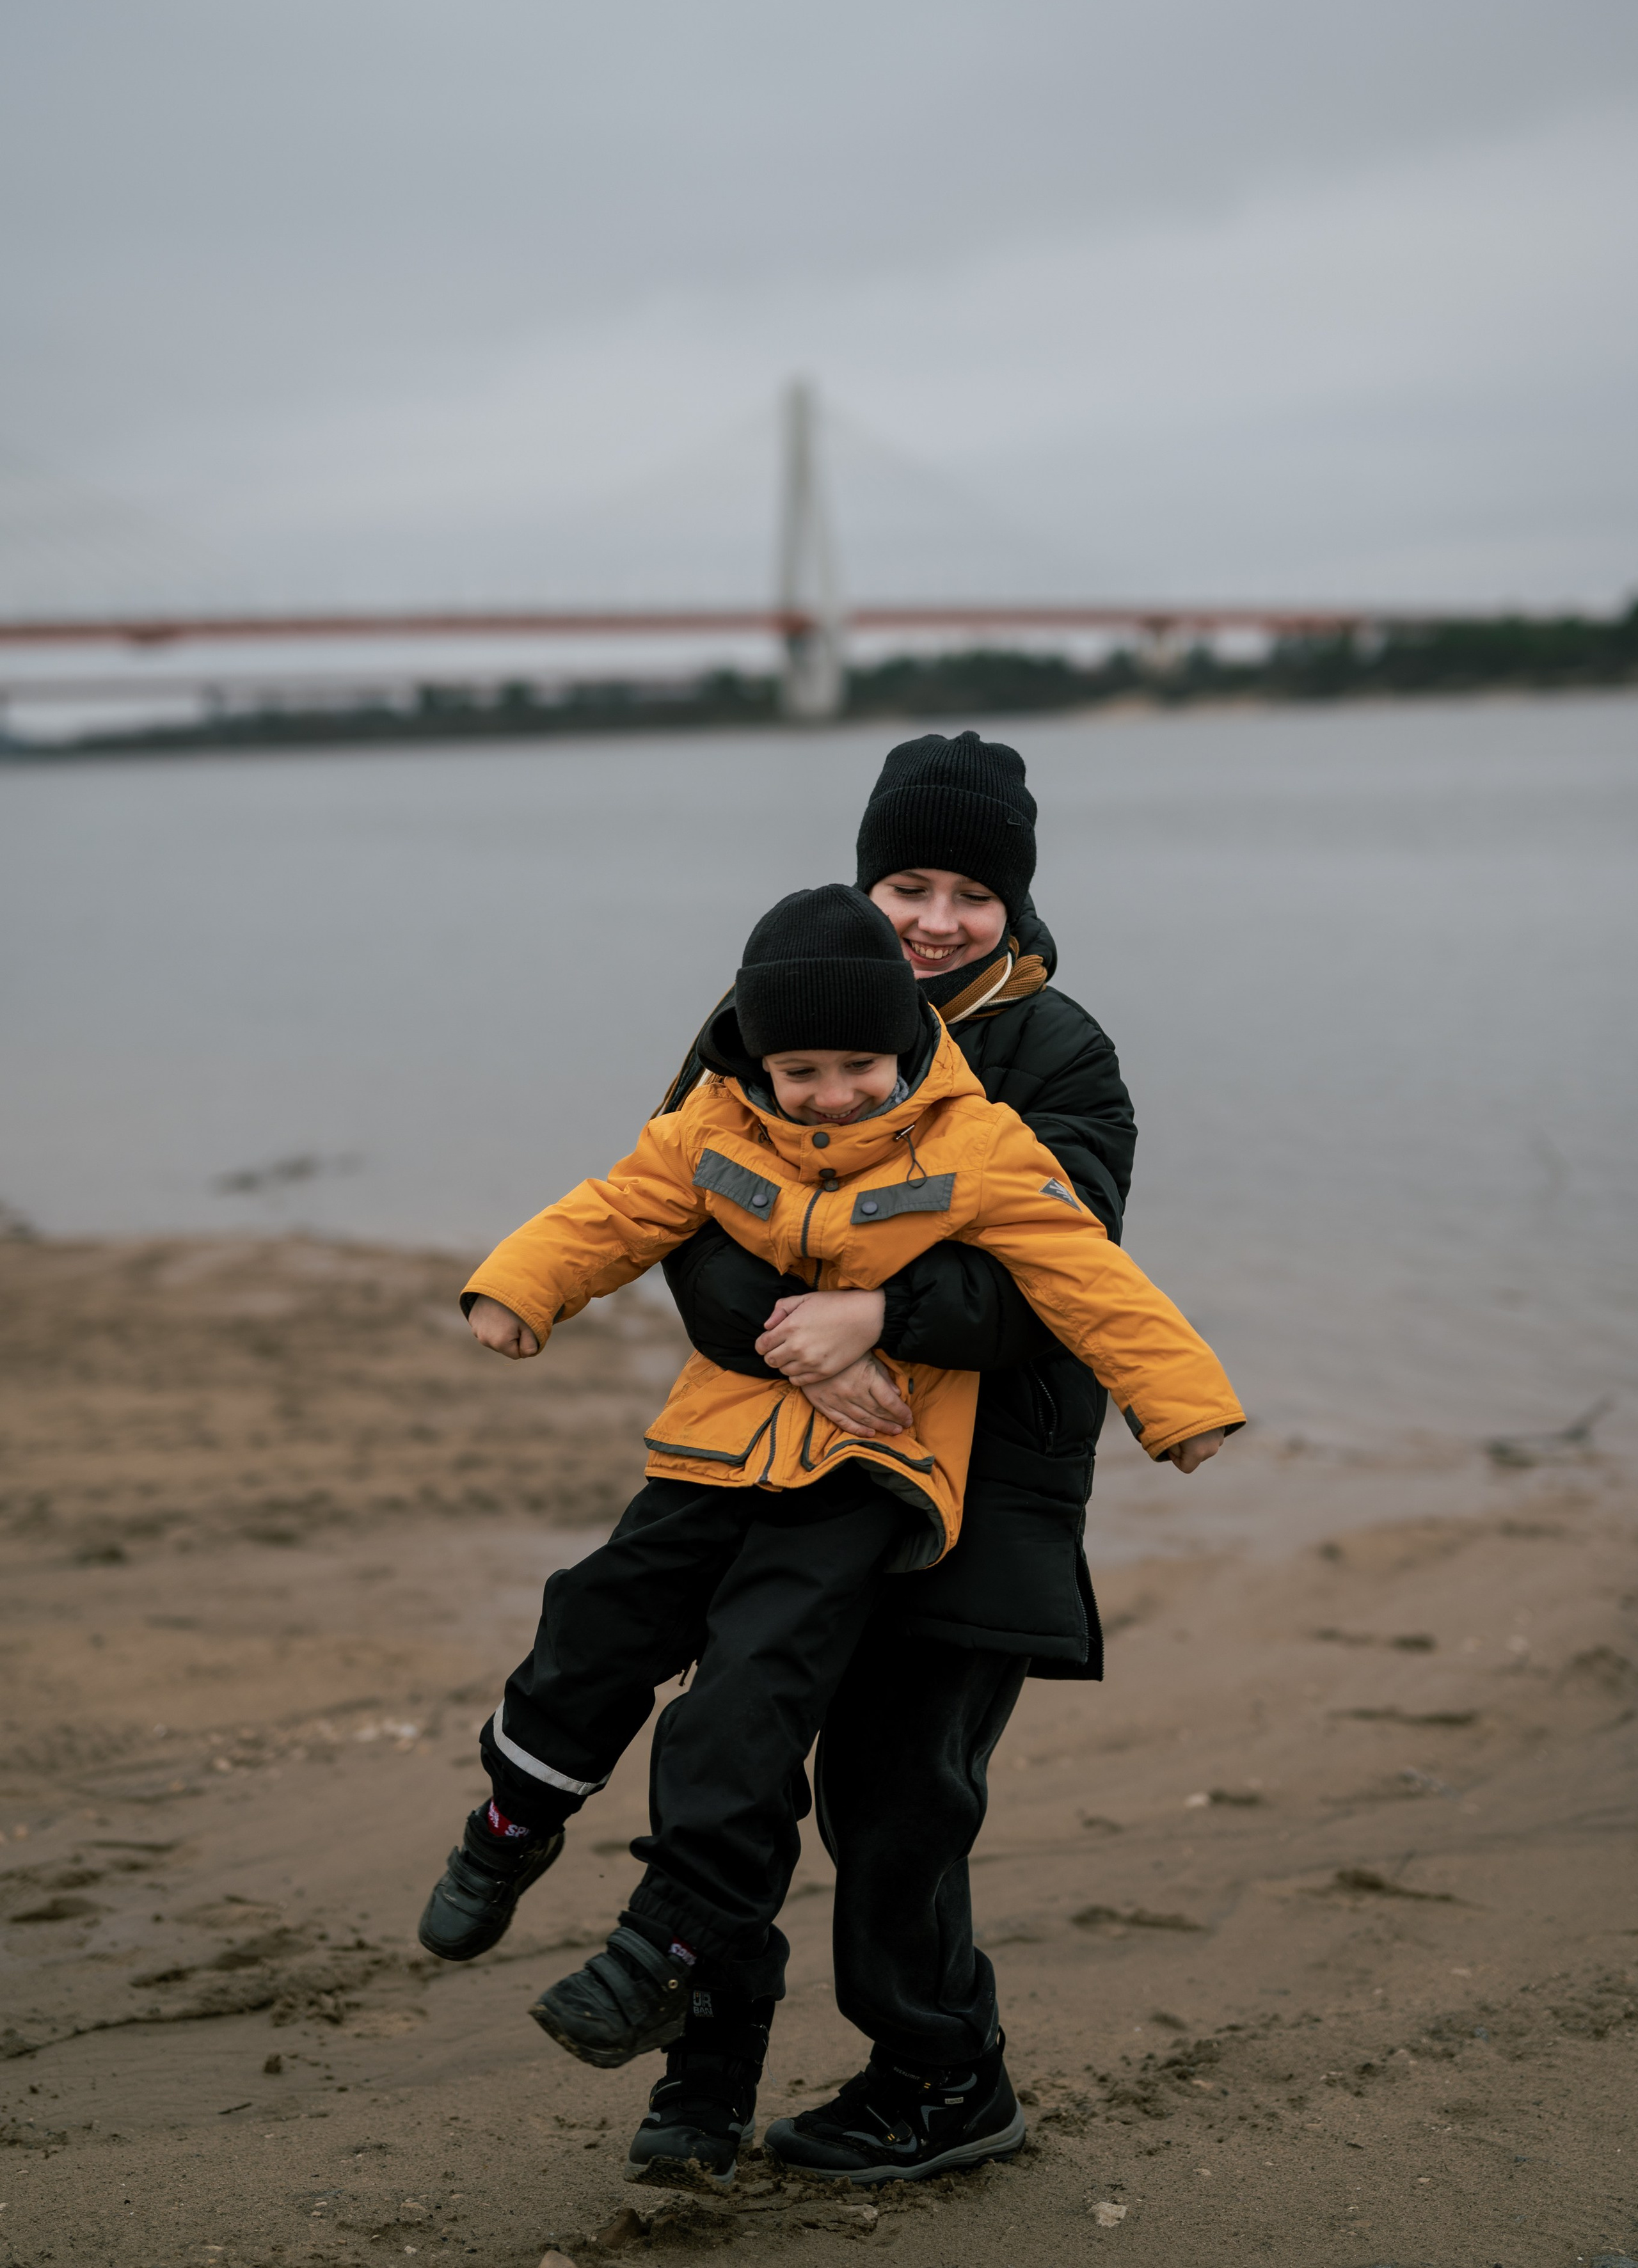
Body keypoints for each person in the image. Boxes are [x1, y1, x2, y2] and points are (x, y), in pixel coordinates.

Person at [418, 870, 1241, 2179]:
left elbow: (1078, 1273)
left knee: (812, 1750)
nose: (832, 1094)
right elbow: (632, 1209)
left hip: (882, 1478)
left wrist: (1176, 1401)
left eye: (971, 890)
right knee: (600, 1626)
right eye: (804, 1072)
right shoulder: (727, 1088)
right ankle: (523, 1824)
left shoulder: (1010, 1100)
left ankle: (776, 2010)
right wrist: (519, 1286)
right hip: (716, 1455)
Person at [643, 731, 1175, 2185]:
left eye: (968, 891)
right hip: (784, 1469)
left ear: (1013, 903)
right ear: (864, 878)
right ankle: (700, 2077)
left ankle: (941, 2075)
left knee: (895, 1794)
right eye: (905, 880)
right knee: (727, 1757)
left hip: (979, 1489)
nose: (934, 917)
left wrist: (884, 1309)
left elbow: (1060, 1275)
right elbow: (678, 1213)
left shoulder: (1057, 1050)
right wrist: (792, 1339)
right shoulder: (773, 1002)